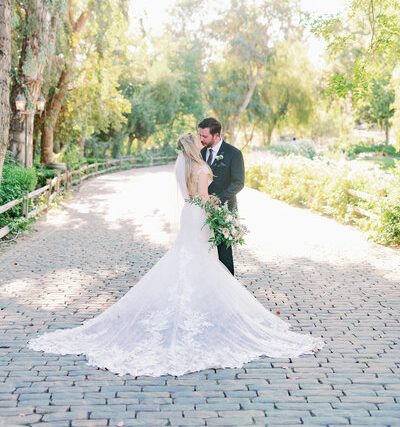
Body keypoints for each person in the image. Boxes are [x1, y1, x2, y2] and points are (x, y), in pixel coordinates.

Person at [28, 132, 323, 377]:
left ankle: (197, 306)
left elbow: (191, 196)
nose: (201, 143)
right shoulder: (201, 169)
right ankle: (205, 309)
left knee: (188, 258)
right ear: (194, 146)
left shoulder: (183, 168)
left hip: (188, 214)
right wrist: (223, 215)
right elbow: (206, 199)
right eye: (199, 140)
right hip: (201, 214)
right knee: (203, 261)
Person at [198, 117, 244, 276]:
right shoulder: (200, 152)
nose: (201, 139)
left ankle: (229, 290)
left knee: (223, 252)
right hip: (202, 210)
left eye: (204, 136)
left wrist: (219, 198)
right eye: (200, 135)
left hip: (223, 211)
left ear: (216, 135)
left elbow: (239, 183)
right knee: (203, 249)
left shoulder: (234, 153)